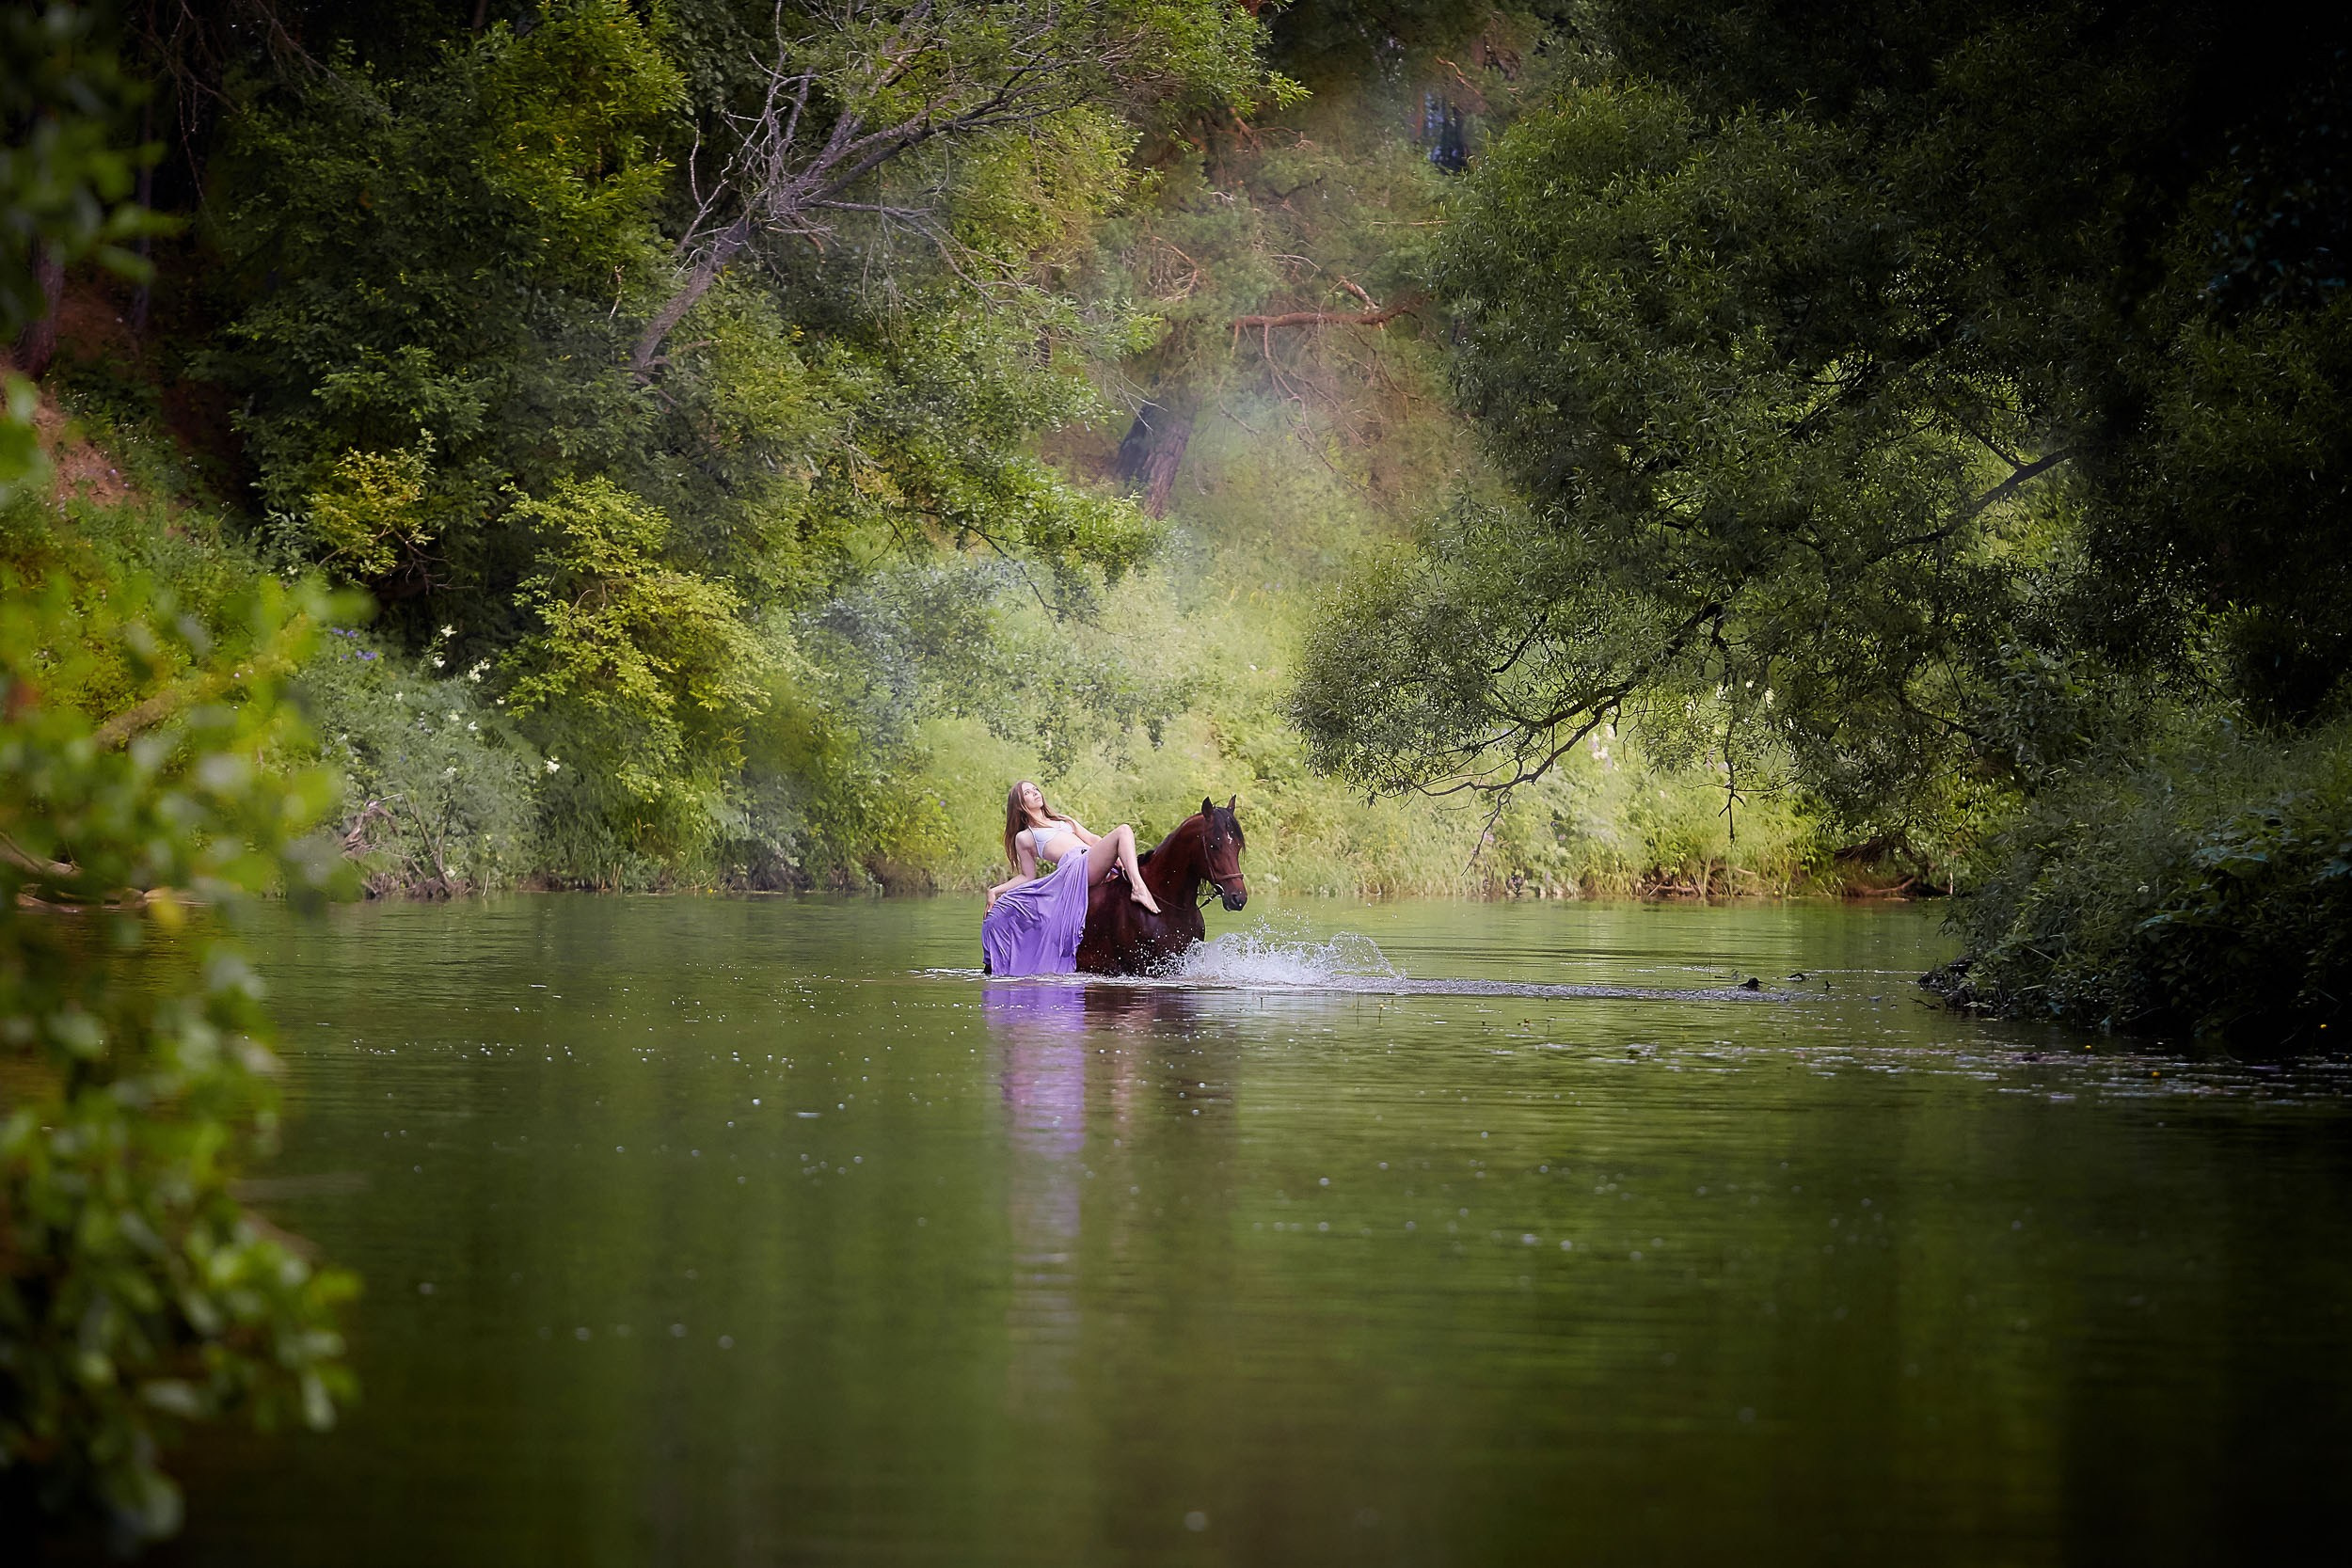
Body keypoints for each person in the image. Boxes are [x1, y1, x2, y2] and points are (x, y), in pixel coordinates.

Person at [982, 781, 1159, 976]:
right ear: (1019, 804)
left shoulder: (1064, 820)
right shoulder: (1024, 837)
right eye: (1028, 792)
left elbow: (1093, 840)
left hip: (1090, 858)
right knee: (1124, 830)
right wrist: (995, 890)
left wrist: (1116, 857)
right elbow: (1027, 876)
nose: (1035, 793)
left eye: (1035, 789)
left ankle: (1136, 883)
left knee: (1129, 850)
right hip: (1075, 869)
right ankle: (1138, 888)